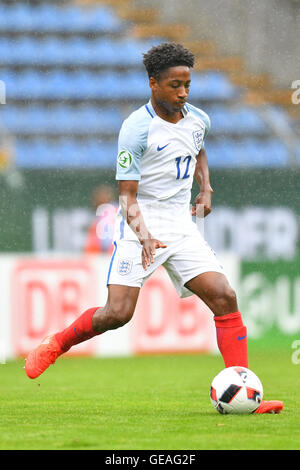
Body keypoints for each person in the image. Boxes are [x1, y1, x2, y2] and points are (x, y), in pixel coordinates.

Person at [25, 43, 283, 414]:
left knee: (224, 296)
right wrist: (144, 237)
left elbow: (198, 148)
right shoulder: (136, 128)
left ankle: (243, 394)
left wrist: (206, 186)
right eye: (175, 85)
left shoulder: (198, 119)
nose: (183, 93)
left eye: (187, 86)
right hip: (138, 224)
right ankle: (58, 343)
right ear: (153, 84)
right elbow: (126, 197)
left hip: (180, 224)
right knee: (117, 314)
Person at [84, 185, 118, 255]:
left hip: (110, 251)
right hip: (111, 251)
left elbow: (105, 240)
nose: (100, 199)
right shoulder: (117, 208)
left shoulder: (108, 210)